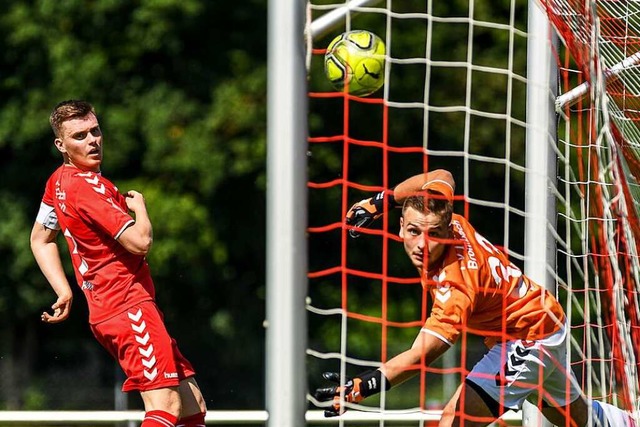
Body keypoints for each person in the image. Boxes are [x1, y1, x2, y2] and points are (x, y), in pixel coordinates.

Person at [315, 169, 636, 427]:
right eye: (414, 232)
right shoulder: (441, 210)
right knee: (581, 420)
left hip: (528, 337)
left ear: (446, 230)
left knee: (452, 423)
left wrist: (362, 385)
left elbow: (421, 356)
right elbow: (441, 175)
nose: (423, 245)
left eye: (434, 234)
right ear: (400, 226)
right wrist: (381, 201)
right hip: (543, 317)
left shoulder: (456, 288)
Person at [30, 100, 207, 427]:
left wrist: (64, 290)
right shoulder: (88, 187)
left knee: (191, 402)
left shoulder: (58, 181)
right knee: (165, 404)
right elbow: (140, 243)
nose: (92, 140)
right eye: (80, 136)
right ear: (61, 145)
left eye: (95, 131)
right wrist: (140, 208)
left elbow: (40, 239)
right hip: (126, 305)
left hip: (116, 308)